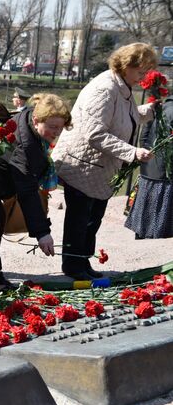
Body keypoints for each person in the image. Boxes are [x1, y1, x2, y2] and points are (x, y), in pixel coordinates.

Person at [52, 42, 156, 281]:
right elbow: (95, 134)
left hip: (99, 168)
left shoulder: (123, 87)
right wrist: (131, 152)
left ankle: (82, 261)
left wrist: (153, 109)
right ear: (126, 65)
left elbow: (128, 118)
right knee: (80, 218)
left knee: (93, 217)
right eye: (141, 71)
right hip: (81, 165)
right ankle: (73, 265)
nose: (143, 76)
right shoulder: (105, 88)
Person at [0, 94, 71, 290]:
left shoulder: (30, 115)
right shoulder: (27, 146)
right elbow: (27, 191)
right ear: (37, 121)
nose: (56, 133)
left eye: (60, 128)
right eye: (53, 127)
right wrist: (42, 233)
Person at [125, 95, 173, 238]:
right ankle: (157, 236)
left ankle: (143, 233)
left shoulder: (159, 107)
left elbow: (144, 135)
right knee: (161, 212)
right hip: (166, 170)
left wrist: (147, 154)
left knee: (146, 207)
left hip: (149, 165)